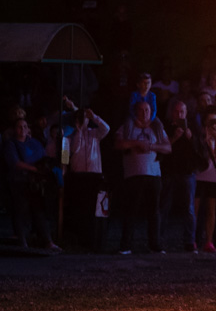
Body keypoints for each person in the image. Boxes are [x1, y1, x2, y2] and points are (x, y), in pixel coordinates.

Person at [115, 101, 171, 254]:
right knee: (131, 211)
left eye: (147, 110)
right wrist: (137, 143)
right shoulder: (128, 127)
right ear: (135, 111)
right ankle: (126, 245)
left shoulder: (157, 128)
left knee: (154, 211)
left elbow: (168, 147)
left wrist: (151, 146)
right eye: (140, 110)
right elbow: (118, 143)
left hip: (153, 174)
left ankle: (155, 244)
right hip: (133, 174)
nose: (144, 113)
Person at [3, 118, 60, 251]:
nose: (22, 129)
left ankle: (48, 241)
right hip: (18, 182)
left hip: (35, 183)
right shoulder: (11, 144)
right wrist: (34, 169)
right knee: (20, 210)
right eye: (19, 126)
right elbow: (15, 163)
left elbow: (43, 157)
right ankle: (22, 242)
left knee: (39, 210)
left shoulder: (35, 143)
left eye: (24, 126)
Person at [160, 101, 202, 252]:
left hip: (187, 172)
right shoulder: (166, 127)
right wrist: (174, 138)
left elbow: (199, 148)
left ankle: (189, 241)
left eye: (182, 112)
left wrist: (191, 138)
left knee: (189, 208)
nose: (179, 115)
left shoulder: (192, 128)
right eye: (177, 112)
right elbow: (161, 148)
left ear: (186, 113)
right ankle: (160, 240)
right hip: (170, 172)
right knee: (164, 206)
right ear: (172, 113)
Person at [67, 107, 110, 251]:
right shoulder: (70, 136)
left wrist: (94, 117)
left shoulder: (94, 134)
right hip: (78, 176)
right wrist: (79, 131)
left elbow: (106, 128)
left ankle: (94, 240)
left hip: (94, 175)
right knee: (80, 209)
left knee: (93, 209)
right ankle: (80, 240)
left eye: (84, 119)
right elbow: (73, 150)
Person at [195, 106, 216, 253]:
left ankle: (209, 240)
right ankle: (193, 239)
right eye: (210, 120)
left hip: (213, 177)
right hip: (199, 176)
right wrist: (205, 139)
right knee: (195, 209)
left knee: (211, 210)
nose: (213, 123)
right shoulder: (199, 136)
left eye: (215, 120)